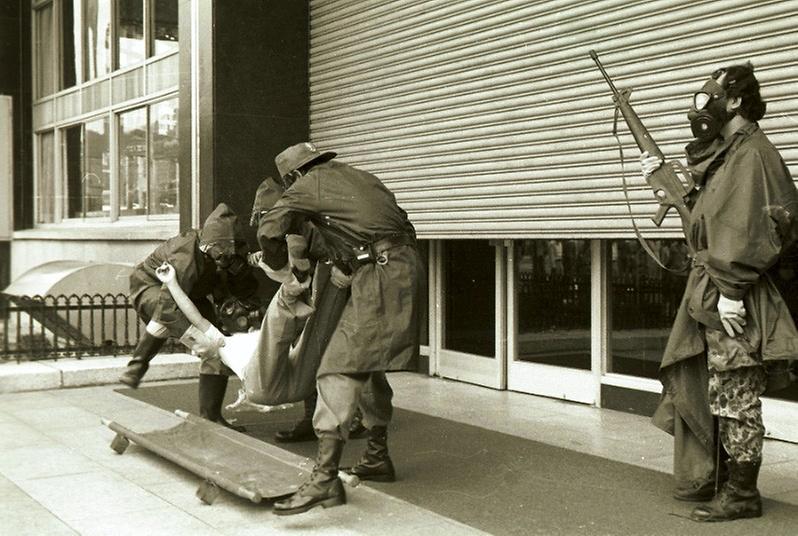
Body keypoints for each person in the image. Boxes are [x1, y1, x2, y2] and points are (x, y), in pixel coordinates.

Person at [642, 63, 798, 522]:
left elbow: (747, 227)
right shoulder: (733, 153)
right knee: (723, 387)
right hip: (724, 285)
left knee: (735, 390)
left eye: (714, 93)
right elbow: (709, 216)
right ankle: (727, 479)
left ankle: (742, 493)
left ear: (735, 102)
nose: (704, 100)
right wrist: (664, 179)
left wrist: (729, 290)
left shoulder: (751, 154)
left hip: (737, 291)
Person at [257, 142, 423, 515]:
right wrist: (353, 262)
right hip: (396, 267)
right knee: (364, 364)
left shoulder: (307, 184)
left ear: (295, 175)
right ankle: (377, 457)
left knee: (335, 368)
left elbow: (270, 228)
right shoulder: (361, 177)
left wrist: (281, 266)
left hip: (380, 274)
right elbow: (397, 224)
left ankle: (324, 480)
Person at [119, 203, 259, 431]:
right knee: (164, 315)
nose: (224, 259)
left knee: (217, 351)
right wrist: (196, 338)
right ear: (207, 246)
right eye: (219, 254)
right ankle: (137, 365)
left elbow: (244, 291)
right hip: (152, 285)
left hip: (191, 294)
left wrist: (240, 273)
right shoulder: (185, 252)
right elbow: (168, 305)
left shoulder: (231, 253)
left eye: (228, 255)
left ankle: (210, 417)